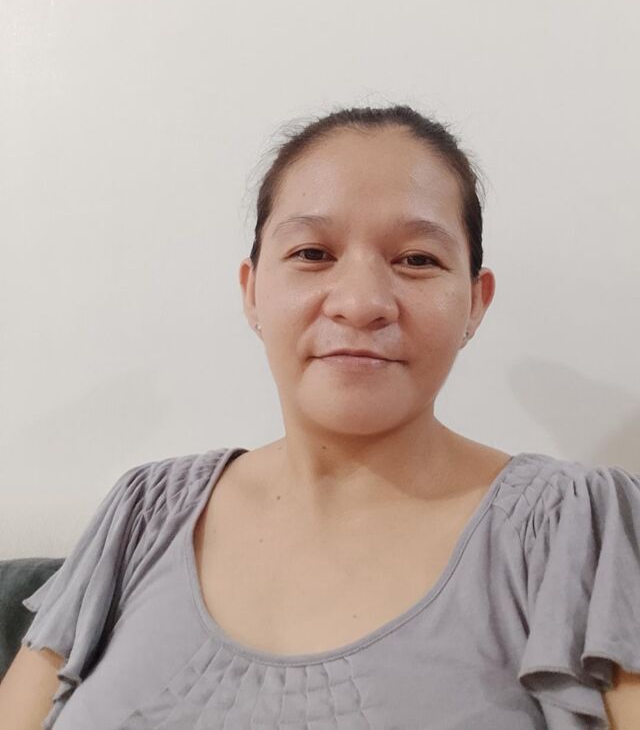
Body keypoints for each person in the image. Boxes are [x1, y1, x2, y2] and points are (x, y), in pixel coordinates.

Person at [1, 104, 639, 729]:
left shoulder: (577, 527)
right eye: (312, 253)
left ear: (475, 301)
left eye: (417, 259)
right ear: (252, 290)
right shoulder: (143, 514)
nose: (360, 303)